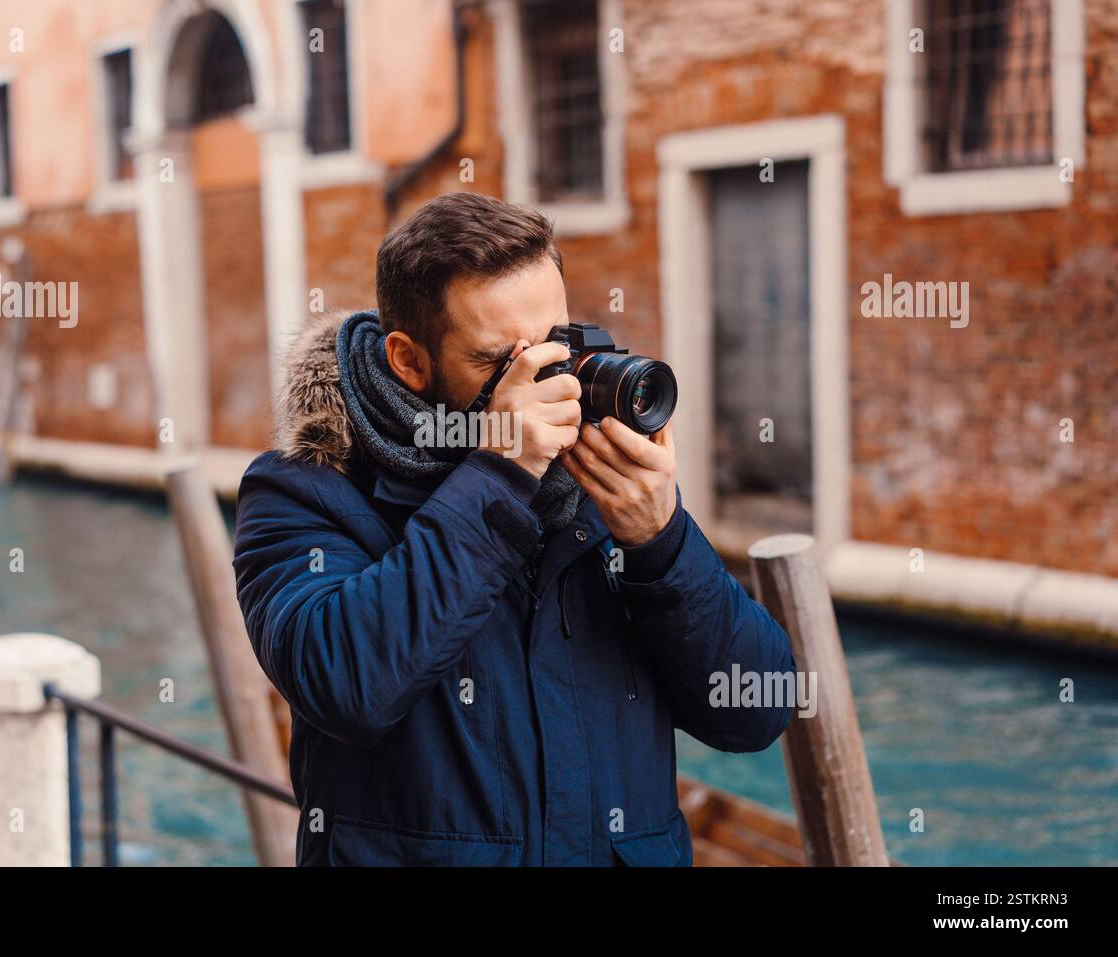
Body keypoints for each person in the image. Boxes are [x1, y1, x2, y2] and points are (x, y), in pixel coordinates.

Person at [233, 191, 795, 866]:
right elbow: (347, 683)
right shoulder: (306, 487)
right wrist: (501, 473)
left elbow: (756, 710)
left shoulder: (598, 474)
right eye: (503, 361)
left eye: (556, 343)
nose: (546, 379)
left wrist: (662, 541)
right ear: (409, 360)